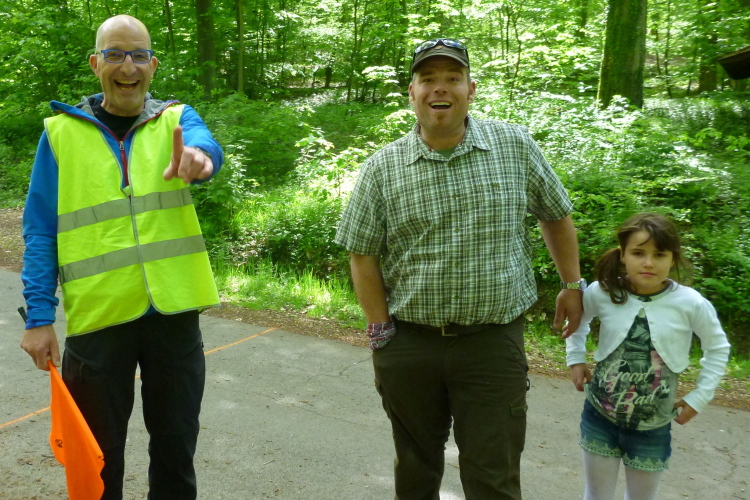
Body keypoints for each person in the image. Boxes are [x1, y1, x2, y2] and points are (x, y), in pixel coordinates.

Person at [335, 37, 585, 500]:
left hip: (492, 346)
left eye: (452, 78)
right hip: (410, 345)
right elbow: (362, 253)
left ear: (471, 90)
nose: (440, 88)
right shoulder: (382, 168)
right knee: (415, 473)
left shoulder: (514, 145)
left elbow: (555, 214)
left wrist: (572, 284)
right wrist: (381, 333)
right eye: (428, 78)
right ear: (412, 93)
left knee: (493, 477)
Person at [19, 14, 223, 500]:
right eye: (114, 54)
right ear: (96, 64)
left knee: (176, 451)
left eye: (137, 55)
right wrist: (39, 317)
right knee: (96, 457)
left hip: (174, 315)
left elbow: (205, 146)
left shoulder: (176, 119)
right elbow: (41, 230)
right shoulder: (60, 133)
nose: (127, 66)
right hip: (98, 319)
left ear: (153, 65)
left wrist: (200, 159)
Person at [563, 212, 731, 500]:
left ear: (673, 258)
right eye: (638, 253)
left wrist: (700, 396)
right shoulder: (603, 291)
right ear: (623, 255)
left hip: (653, 425)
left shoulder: (690, 303)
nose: (649, 262)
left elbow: (718, 347)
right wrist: (576, 358)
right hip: (600, 416)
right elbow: (578, 320)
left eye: (660, 254)